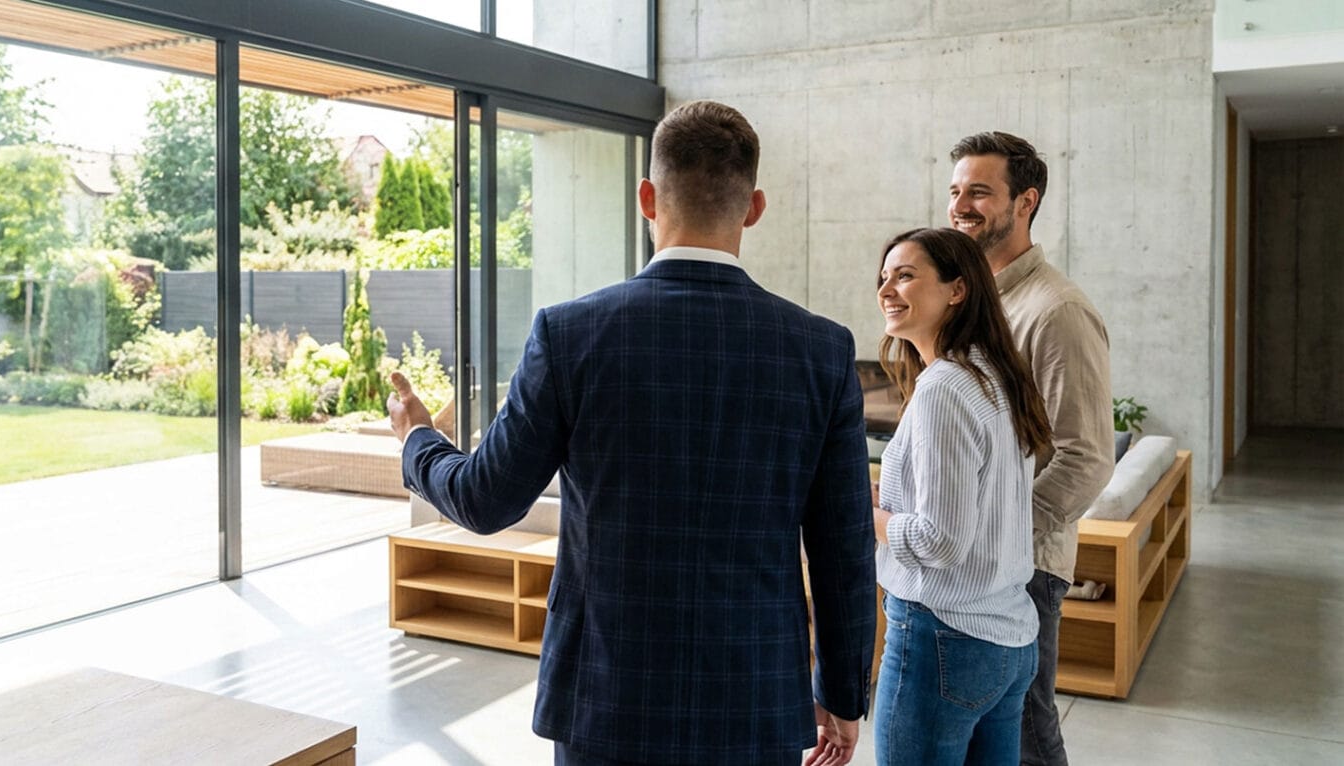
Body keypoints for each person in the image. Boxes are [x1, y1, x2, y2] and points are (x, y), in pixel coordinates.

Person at [386, 100, 877, 766]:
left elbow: (484, 499)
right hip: (754, 699)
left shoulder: (570, 334)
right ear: (754, 208)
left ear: (647, 197)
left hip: (607, 698)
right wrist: (843, 693)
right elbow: (844, 549)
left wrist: (417, 438)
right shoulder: (821, 350)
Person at [948, 131, 1116, 766]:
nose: (960, 206)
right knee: (985, 734)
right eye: (955, 191)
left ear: (1026, 202)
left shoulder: (1057, 311)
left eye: (979, 192)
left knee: (1025, 732)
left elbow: (1085, 457)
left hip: (1023, 566)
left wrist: (1003, 536)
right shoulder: (977, 300)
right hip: (974, 560)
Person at [872, 227, 1051, 765]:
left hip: (942, 638)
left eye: (905, 275)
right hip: (1008, 639)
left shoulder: (944, 387)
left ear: (957, 289)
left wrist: (867, 513)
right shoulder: (995, 374)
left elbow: (940, 540)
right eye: (884, 277)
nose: (886, 290)